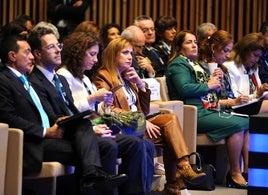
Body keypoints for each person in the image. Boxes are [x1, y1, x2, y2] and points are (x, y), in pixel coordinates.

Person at [0, 33, 127, 194]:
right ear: (12, 56)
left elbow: (43, 112)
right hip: (33, 143)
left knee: (85, 125)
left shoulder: (22, 79)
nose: (31, 57)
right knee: (101, 146)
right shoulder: (4, 80)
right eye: (27, 52)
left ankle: (92, 177)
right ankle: (91, 177)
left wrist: (60, 120)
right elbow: (7, 118)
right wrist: (46, 131)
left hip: (51, 135)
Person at [95, 37, 206, 195]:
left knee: (170, 120)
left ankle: (181, 170)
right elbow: (108, 109)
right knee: (170, 135)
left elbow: (145, 109)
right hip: (124, 126)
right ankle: (176, 179)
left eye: (131, 53)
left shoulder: (129, 75)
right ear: (113, 55)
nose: (130, 57)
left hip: (139, 122)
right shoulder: (104, 76)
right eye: (125, 53)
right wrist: (139, 120)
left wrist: (140, 84)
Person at [56, 31, 154, 195]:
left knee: (137, 144)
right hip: (83, 130)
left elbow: (98, 110)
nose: (95, 60)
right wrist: (93, 98)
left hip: (97, 124)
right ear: (78, 53)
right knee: (118, 144)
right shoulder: (63, 75)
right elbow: (69, 110)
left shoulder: (85, 78)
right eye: (92, 55)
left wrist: (103, 105)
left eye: (97, 55)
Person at [166, 30, 249, 189]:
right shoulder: (178, 64)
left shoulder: (194, 63)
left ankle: (244, 171)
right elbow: (184, 89)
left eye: (195, 42)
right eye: (189, 42)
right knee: (240, 124)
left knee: (245, 122)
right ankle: (235, 173)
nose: (194, 45)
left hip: (206, 108)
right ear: (179, 46)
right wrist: (208, 84)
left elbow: (209, 91)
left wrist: (216, 81)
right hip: (192, 112)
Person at [223, 32, 268, 115]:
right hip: (237, 107)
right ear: (245, 50)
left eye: (259, 57)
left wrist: (262, 92)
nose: (257, 60)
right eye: (255, 55)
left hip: (252, 104)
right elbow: (235, 98)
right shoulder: (229, 66)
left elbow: (257, 94)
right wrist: (257, 95)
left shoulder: (254, 67)